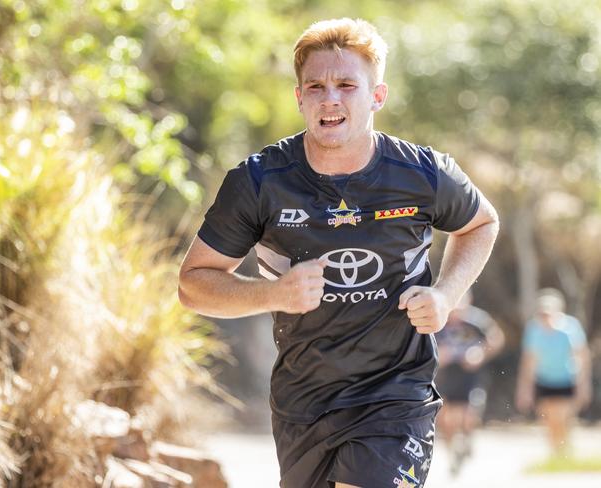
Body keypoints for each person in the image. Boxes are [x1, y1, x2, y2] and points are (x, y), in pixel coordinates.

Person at [178, 18, 499, 488]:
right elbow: (192, 285)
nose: (331, 98)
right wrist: (275, 295)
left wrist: (446, 295)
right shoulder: (259, 182)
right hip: (303, 402)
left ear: (377, 96)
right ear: (299, 97)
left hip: (396, 393)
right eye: (317, 86)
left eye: (347, 85)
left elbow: (481, 223)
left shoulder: (423, 174)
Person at [434, 290, 505, 476]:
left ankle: (466, 440)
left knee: (468, 417)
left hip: (471, 376)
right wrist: (437, 356)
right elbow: (423, 345)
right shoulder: (438, 319)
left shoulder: (478, 320)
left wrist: (480, 354)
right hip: (445, 375)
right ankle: (453, 454)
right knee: (445, 419)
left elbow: (496, 340)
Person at [515, 288, 592, 456]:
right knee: (549, 420)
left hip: (566, 379)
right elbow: (528, 362)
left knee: (563, 418)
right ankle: (555, 453)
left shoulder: (570, 328)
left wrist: (584, 385)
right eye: (542, 313)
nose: (545, 317)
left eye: (548, 313)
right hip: (544, 379)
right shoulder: (533, 329)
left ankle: (566, 451)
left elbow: (582, 357)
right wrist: (524, 390)